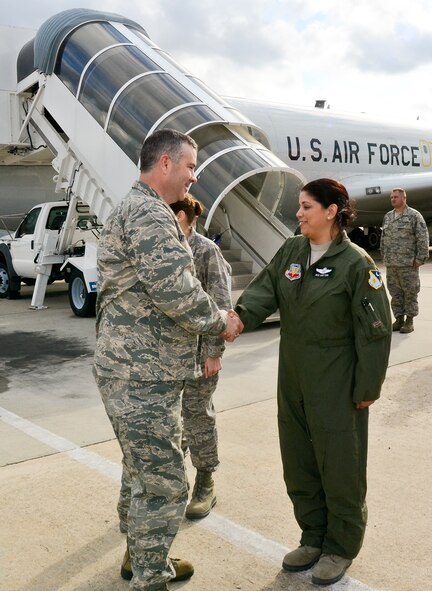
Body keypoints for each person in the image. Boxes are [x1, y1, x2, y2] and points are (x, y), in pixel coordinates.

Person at [93, 129, 242, 591]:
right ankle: (150, 574)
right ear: (164, 164)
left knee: (141, 468)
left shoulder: (136, 209)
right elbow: (177, 292)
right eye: (190, 166)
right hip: (142, 373)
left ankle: (139, 555)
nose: (193, 177)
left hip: (135, 369)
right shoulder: (150, 214)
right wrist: (222, 322)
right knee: (165, 481)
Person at [233, 178, 391, 586]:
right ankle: (313, 537)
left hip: (336, 379)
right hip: (294, 375)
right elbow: (265, 289)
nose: (299, 213)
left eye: (306, 207)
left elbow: (376, 331)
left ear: (331, 211)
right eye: (300, 207)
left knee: (340, 465)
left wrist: (366, 388)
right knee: (299, 460)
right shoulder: (293, 250)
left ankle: (340, 546)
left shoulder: (356, 264)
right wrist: (238, 317)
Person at [170, 195, 232, 520]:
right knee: (170, 422)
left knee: (197, 416)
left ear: (182, 216)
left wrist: (213, 351)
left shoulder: (206, 250)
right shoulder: (166, 250)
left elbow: (221, 303)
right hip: (167, 355)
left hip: (198, 356)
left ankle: (206, 482)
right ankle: (171, 485)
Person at [381, 187, 429, 333]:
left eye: (396, 197)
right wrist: (384, 255)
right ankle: (399, 319)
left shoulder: (414, 215)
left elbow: (422, 237)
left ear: (403, 198)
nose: (393, 199)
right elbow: (384, 237)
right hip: (391, 263)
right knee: (395, 293)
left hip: (408, 263)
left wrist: (421, 258)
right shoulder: (388, 216)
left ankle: (409, 321)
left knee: (410, 292)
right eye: (391, 197)